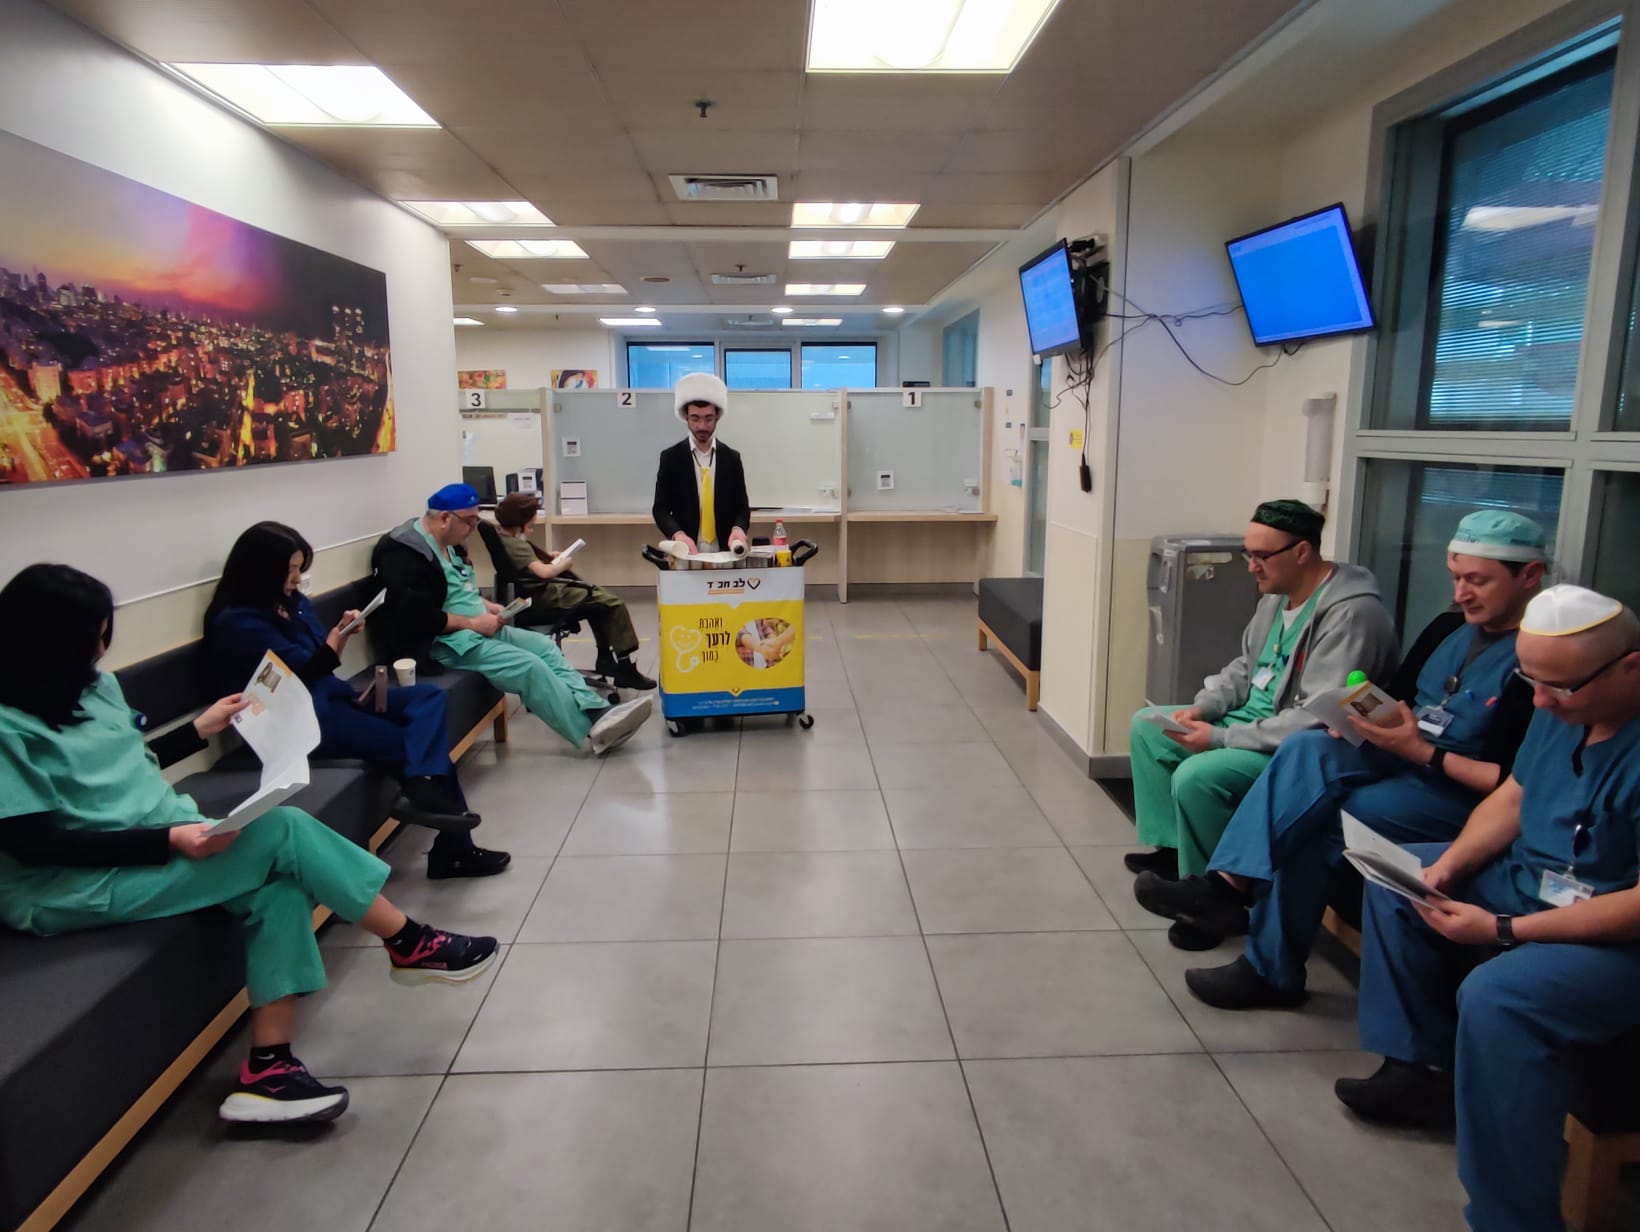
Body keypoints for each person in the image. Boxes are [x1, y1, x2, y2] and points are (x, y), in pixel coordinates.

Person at [0, 564, 498, 1125]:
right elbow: (33, 844)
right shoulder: (7, 728)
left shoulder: (93, 686)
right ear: (45, 644)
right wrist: (168, 840)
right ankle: (408, 940)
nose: (101, 649)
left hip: (160, 834)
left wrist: (199, 730)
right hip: (70, 884)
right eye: (91, 637)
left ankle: (268, 1071)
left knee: (278, 888)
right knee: (283, 829)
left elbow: (125, 766)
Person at [1332, 584, 1640, 1232]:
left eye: (1561, 688)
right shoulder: (1562, 712)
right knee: (1399, 880)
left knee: (1499, 997)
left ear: (1630, 668)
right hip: (1529, 880)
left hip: (1612, 936)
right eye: (1532, 683)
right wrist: (1447, 868)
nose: (1542, 703)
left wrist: (1504, 928)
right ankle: (1418, 1069)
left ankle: (1512, 1219)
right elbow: (1514, 798)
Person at [1144, 510, 1546, 973]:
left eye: (1478, 581)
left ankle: (1262, 958)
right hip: (1401, 756)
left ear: (1530, 575)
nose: (1460, 594)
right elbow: (1396, 697)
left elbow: (1513, 786)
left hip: (1454, 789)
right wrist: (1355, 716)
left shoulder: (1539, 665)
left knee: (1316, 815)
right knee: (1308, 747)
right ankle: (1227, 887)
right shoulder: (1447, 628)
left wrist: (1424, 752)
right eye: (1456, 578)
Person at [1124, 499, 1400, 912]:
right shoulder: (1275, 597)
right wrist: (1204, 708)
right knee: (1148, 725)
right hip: (1247, 720)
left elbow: (1314, 717)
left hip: (1289, 744)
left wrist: (1219, 738)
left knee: (1198, 776)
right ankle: (1175, 850)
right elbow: (1246, 666)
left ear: (1301, 551)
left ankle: (1210, 899)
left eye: (1261, 556)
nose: (1251, 567)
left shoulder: (1352, 615)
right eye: (1247, 554)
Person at [203, 521, 511, 881]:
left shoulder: (291, 604)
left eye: (300, 568)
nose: (298, 578)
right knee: (413, 744)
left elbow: (321, 659)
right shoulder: (238, 623)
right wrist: (335, 641)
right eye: (290, 570)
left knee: (428, 697)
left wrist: (342, 633)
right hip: (302, 720)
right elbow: (304, 669)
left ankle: (424, 794)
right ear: (261, 571)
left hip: (334, 697)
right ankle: (453, 847)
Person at [371, 483, 652, 755]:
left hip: (479, 628)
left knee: (545, 647)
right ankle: (592, 731)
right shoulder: (404, 554)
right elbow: (417, 616)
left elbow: (455, 589)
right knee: (530, 667)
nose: (473, 528)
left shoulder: (449, 543)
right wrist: (473, 623)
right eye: (469, 522)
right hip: (448, 643)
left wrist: (486, 606)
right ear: (445, 518)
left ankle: (597, 710)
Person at [492, 493, 655, 690]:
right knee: (612, 603)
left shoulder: (503, 539)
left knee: (599, 601)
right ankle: (625, 667)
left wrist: (549, 557)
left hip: (535, 594)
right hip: (547, 597)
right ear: (519, 524)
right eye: (531, 526)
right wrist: (564, 564)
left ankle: (606, 659)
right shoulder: (517, 545)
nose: (531, 530)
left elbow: (528, 565)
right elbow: (544, 573)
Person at [651, 372, 751, 555]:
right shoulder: (671, 458)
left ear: (717, 417)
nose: (702, 426)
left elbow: (742, 508)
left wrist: (738, 528)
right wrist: (678, 535)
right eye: (695, 418)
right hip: (686, 553)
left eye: (708, 418)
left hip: (725, 554)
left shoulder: (732, 458)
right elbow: (660, 509)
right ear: (686, 417)